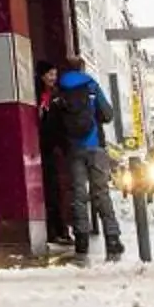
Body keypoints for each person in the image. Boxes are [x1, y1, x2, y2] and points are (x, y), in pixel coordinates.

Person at [53, 55, 123, 262]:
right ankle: (112, 238)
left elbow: (56, 124)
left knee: (78, 194)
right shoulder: (91, 86)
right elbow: (108, 115)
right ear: (82, 68)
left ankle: (81, 239)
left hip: (74, 149)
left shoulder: (60, 91)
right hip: (95, 146)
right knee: (101, 192)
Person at [36, 63, 74, 247]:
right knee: (51, 191)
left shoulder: (58, 96)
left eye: (55, 73)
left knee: (57, 191)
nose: (53, 77)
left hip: (54, 149)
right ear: (42, 75)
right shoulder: (37, 95)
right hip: (43, 149)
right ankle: (55, 231)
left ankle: (60, 230)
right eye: (50, 74)